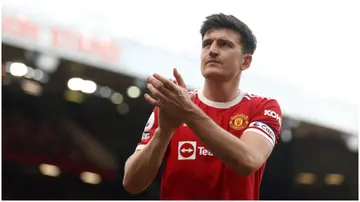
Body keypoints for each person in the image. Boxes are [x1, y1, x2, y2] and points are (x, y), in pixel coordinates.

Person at [123, 13, 282, 200]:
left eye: (224, 44)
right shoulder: (172, 105)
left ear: (245, 61)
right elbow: (131, 183)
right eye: (207, 44)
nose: (213, 51)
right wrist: (164, 132)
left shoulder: (263, 107)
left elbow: (248, 160)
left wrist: (188, 112)